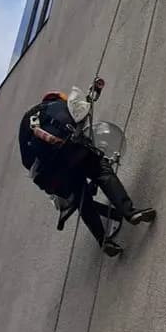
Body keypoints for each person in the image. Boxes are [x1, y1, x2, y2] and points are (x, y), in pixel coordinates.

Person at [18, 90, 155, 258]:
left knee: (80, 196)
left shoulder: (26, 129)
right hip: (70, 148)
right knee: (102, 171)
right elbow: (82, 114)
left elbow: (27, 163)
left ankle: (103, 240)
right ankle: (130, 212)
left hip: (51, 172)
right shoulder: (57, 105)